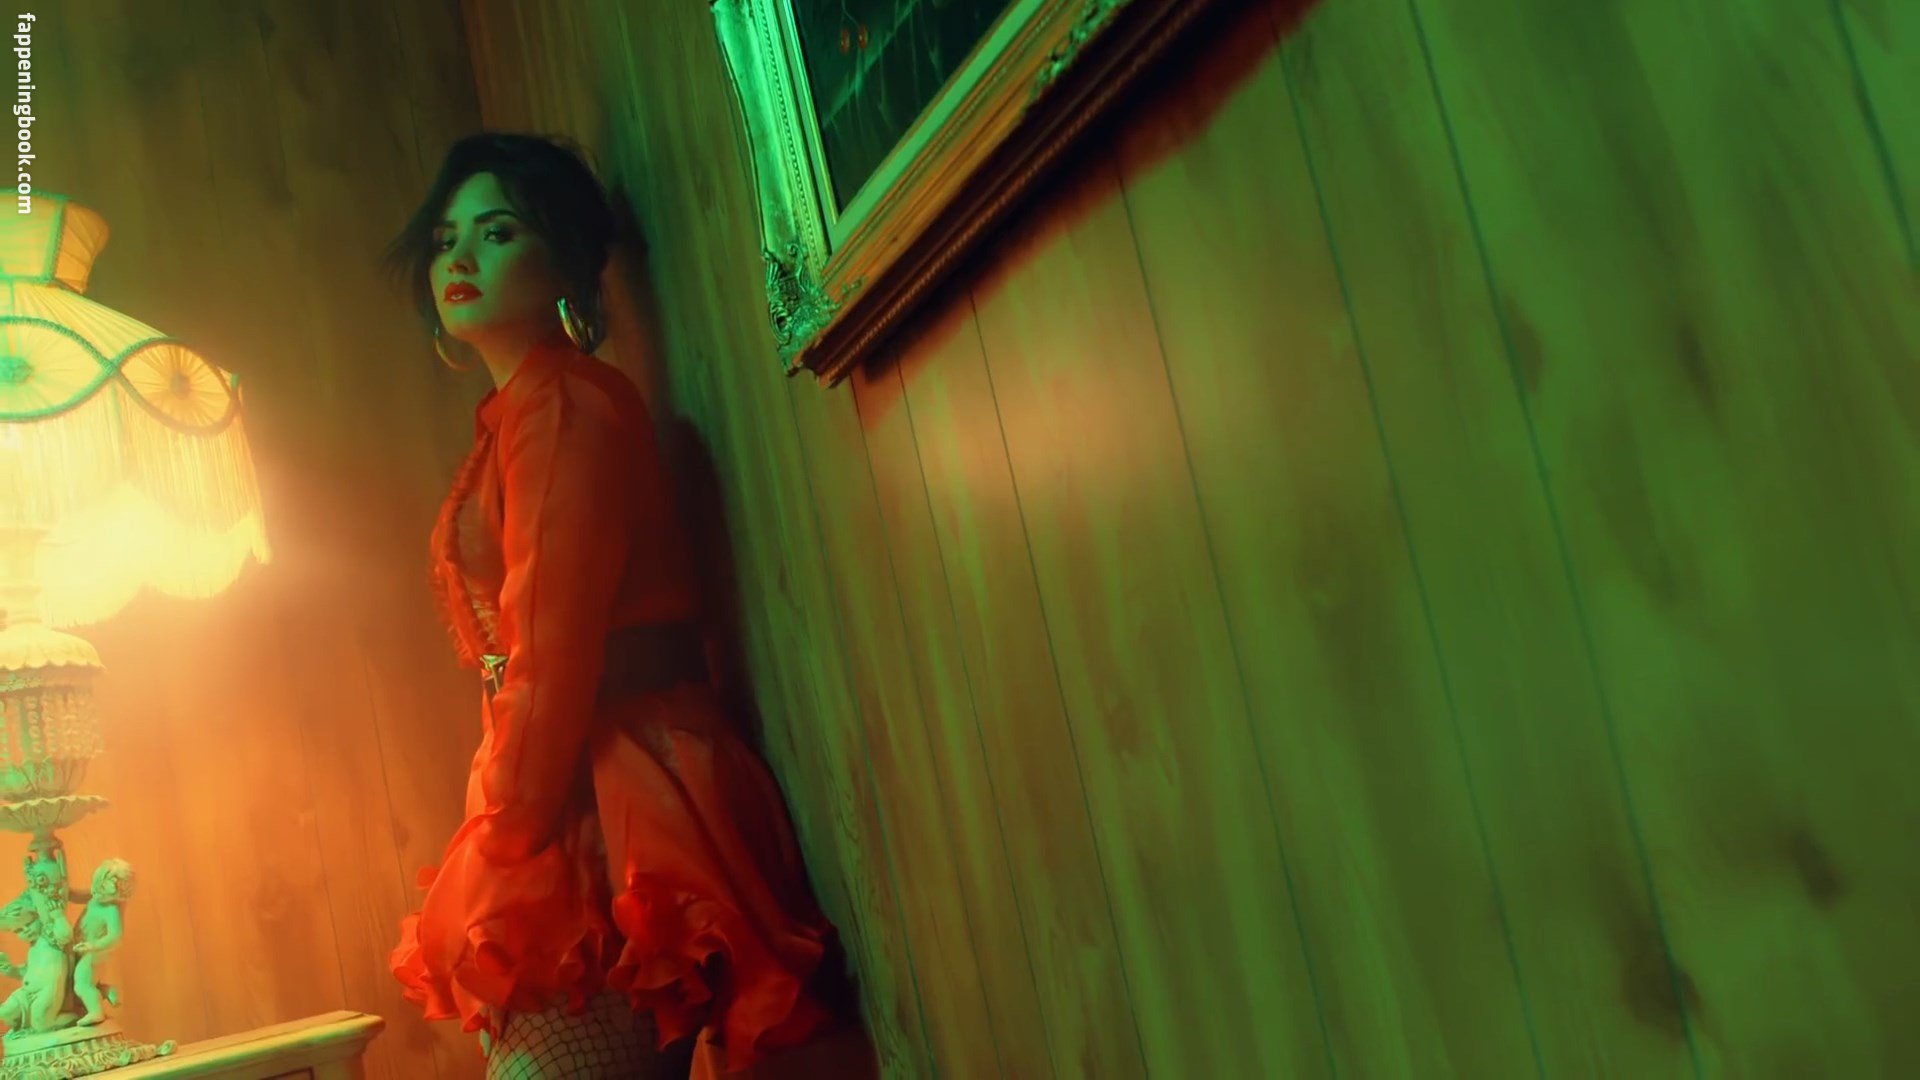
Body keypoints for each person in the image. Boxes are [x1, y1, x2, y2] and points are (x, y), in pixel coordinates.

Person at [382, 132, 839, 1079]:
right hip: (584, 775)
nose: (460, 258)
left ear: (562, 261)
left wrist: (508, 827)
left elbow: (553, 647)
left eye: (497, 232)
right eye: (445, 239)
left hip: (615, 785)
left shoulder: (560, 405)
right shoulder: (526, 408)